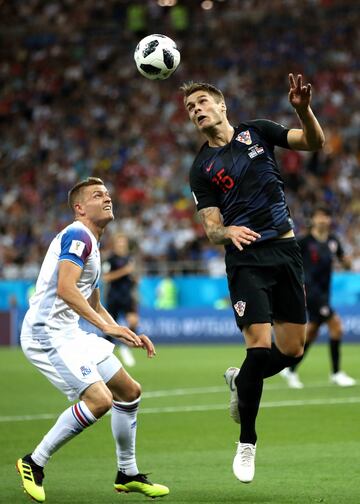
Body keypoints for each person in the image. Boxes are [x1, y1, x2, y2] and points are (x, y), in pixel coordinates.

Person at [181, 74, 325, 483]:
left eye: (203, 102)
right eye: (191, 108)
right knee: (259, 351)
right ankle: (247, 442)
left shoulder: (258, 132)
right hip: (245, 260)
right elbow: (210, 228)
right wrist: (227, 232)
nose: (197, 110)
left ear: (223, 105)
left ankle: (238, 379)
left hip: (285, 249)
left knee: (293, 350)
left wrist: (302, 110)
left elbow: (314, 142)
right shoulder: (200, 168)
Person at [16, 177, 169, 502]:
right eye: (98, 195)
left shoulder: (93, 245)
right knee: (99, 400)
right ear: (80, 207)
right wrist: (108, 328)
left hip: (70, 332)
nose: (107, 198)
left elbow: (95, 303)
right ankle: (34, 462)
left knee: (129, 391)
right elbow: (66, 289)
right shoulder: (77, 235)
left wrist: (124, 332)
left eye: (108, 194)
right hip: (46, 332)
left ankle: (126, 473)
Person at [281, 206, 356, 388]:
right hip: (310, 292)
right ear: (313, 219)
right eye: (319, 216)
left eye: (326, 216)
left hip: (324, 293)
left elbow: (344, 262)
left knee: (312, 333)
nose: (323, 219)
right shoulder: (305, 241)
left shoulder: (333, 240)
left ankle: (290, 369)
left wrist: (347, 262)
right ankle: (336, 373)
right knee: (336, 327)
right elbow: (290, 260)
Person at [103, 232, 139, 367]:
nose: (122, 245)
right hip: (114, 296)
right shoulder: (110, 259)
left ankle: (125, 347)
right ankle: (104, 354)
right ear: (115, 244)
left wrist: (134, 279)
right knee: (111, 328)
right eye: (120, 243)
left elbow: (131, 275)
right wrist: (125, 271)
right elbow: (106, 277)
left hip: (127, 296)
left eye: (124, 243)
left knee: (134, 321)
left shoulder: (130, 258)